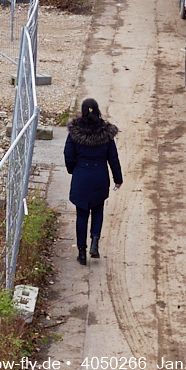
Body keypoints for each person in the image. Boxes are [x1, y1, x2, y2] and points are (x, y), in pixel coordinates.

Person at [64, 98, 123, 266]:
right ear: (98, 110)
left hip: (81, 176)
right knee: (98, 209)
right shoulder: (105, 133)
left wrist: (73, 170)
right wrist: (118, 179)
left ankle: (81, 252)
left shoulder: (75, 133)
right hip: (100, 176)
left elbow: (68, 155)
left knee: (81, 214)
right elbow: (113, 158)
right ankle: (95, 241)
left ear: (82, 111)